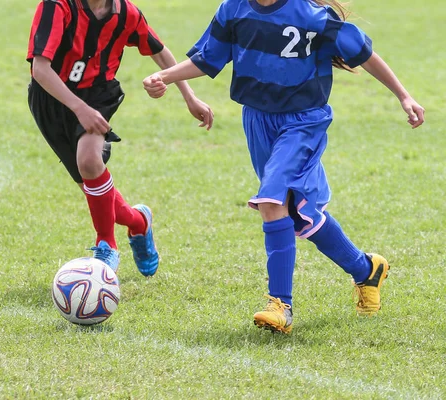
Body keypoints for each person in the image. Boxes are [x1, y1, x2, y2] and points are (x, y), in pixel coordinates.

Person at [143, 0, 425, 332]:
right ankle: (366, 269)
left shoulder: (311, 15)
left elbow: (363, 54)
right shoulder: (233, 9)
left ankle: (281, 305)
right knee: (295, 211)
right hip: (257, 119)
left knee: (271, 200)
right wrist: (165, 74)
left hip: (303, 121)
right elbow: (208, 58)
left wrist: (403, 96)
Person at [27, 0, 214, 276]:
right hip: (51, 99)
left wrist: (189, 97)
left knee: (89, 161)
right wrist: (78, 109)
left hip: (97, 95)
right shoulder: (58, 6)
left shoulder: (127, 14)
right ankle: (139, 222)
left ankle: (106, 245)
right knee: (95, 191)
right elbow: (40, 69)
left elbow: (160, 52)